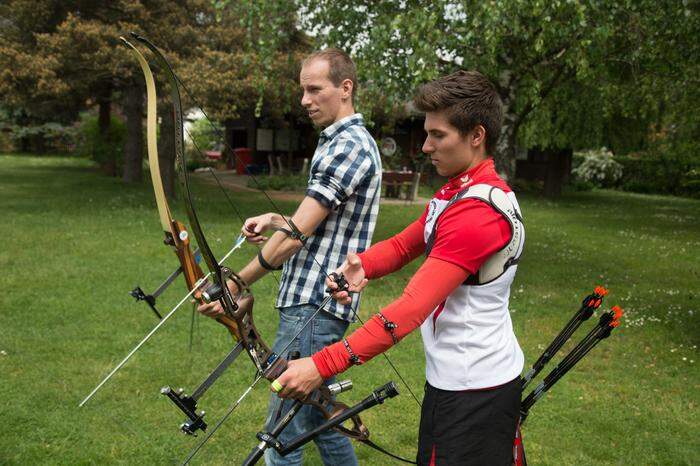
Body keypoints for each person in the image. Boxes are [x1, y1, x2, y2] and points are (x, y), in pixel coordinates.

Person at [274, 70, 526, 465]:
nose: (426, 146)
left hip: (473, 386)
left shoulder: (478, 211)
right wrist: (363, 266)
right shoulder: (459, 191)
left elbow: (411, 308)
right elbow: (407, 242)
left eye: (438, 135)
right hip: (457, 380)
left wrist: (322, 365)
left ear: (476, 136)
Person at [197, 48, 381, 466]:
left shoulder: (349, 146)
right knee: (320, 420)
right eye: (303, 90)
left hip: (312, 307)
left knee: (280, 434)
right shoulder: (338, 143)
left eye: (315, 89)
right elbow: (316, 225)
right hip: (314, 304)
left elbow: (299, 235)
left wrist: (236, 281)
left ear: (345, 88)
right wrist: (276, 217)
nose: (305, 100)